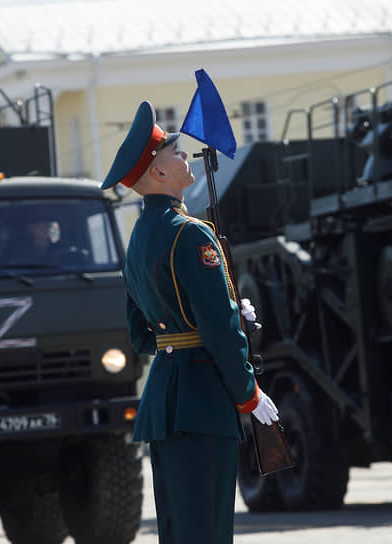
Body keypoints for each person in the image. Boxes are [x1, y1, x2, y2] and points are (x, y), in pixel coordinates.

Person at [101, 101, 279, 544]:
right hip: (202, 402)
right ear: (158, 174)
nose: (186, 156)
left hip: (164, 401)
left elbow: (142, 336)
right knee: (208, 533)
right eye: (175, 153)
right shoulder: (190, 232)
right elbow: (220, 331)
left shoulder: (138, 240)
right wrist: (248, 394)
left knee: (180, 533)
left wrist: (194, 327)